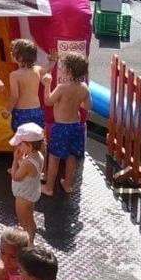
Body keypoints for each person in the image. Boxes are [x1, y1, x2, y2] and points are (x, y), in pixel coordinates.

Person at [41, 53, 90, 196]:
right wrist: (76, 101)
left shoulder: (62, 88)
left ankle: (49, 188)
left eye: (62, 66)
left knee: (54, 158)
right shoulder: (84, 87)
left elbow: (48, 102)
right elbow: (87, 106)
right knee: (71, 156)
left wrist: (47, 85)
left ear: (68, 71)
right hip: (76, 127)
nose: (60, 68)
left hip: (61, 127)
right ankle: (68, 185)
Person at [9, 123, 44, 242]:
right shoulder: (38, 156)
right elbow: (27, 172)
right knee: (29, 218)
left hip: (23, 197)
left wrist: (15, 161)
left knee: (24, 221)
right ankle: (30, 234)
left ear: (29, 146)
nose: (18, 147)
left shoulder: (27, 164)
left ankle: (28, 242)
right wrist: (21, 160)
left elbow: (15, 177)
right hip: (31, 194)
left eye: (20, 144)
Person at [7, 39, 44, 131]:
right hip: (37, 111)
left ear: (20, 58)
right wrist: (53, 61)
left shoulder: (14, 75)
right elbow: (48, 68)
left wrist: (8, 110)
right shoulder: (37, 69)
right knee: (36, 139)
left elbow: (14, 96)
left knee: (20, 141)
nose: (11, 53)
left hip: (21, 113)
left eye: (13, 51)